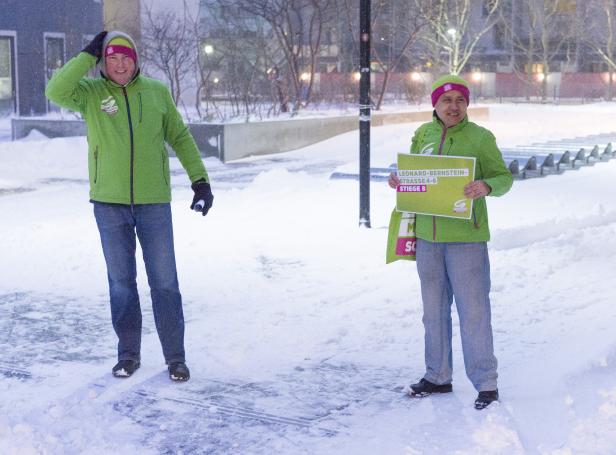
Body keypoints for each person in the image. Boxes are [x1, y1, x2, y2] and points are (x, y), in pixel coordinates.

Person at [45, 31, 214, 382]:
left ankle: (176, 359)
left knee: (165, 283)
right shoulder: (90, 94)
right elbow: (55, 90)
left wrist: (200, 180)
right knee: (121, 283)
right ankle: (128, 355)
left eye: (125, 57)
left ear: (135, 60)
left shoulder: (156, 92)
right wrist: (86, 55)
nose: (119, 64)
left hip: (154, 202)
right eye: (111, 58)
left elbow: (180, 137)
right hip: (108, 204)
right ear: (103, 62)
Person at [388, 74, 513, 410]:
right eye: (446, 100)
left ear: (467, 104)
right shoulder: (423, 134)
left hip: (466, 240)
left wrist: (486, 186)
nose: (453, 106)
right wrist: (399, 178)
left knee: (473, 312)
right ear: (435, 105)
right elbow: (415, 173)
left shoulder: (480, 138)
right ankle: (438, 376)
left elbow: (504, 178)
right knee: (433, 313)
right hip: (428, 238)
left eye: (459, 100)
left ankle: (486, 383)